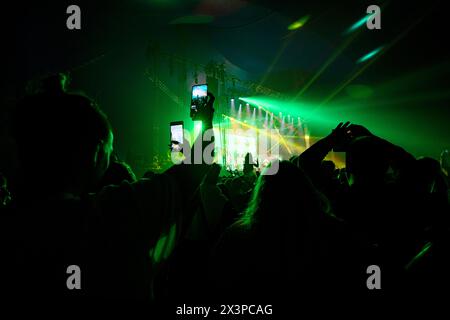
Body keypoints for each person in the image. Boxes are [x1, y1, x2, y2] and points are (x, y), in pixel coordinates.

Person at [6, 86, 216, 303]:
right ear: (96, 153)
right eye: (109, 149)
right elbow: (198, 164)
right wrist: (205, 120)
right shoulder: (114, 213)